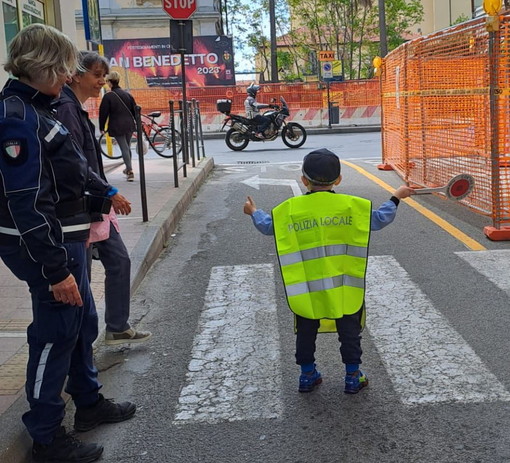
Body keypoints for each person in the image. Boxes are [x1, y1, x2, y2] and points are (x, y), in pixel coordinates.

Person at [0, 24, 136, 463]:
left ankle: (88, 402)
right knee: (55, 333)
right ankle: (46, 436)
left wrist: (102, 194)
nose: (68, 74)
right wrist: (56, 270)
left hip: (65, 235)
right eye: (62, 67)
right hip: (45, 244)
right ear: (43, 66)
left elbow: (68, 168)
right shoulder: (19, 117)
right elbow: (27, 203)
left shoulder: (41, 108)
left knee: (76, 325)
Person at [243, 148, 415, 394]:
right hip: (344, 286)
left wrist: (253, 211)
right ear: (338, 180)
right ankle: (353, 376)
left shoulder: (290, 209)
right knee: (349, 332)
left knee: (305, 331)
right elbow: (379, 219)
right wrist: (396, 196)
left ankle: (307, 375)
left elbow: (268, 227)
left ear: (304, 180)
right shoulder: (351, 206)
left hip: (307, 288)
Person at [56, 51, 152, 347]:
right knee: (80, 279)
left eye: (102, 76)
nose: (101, 82)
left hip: (93, 204)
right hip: (78, 209)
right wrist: (108, 191)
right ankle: (79, 348)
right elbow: (74, 162)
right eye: (96, 76)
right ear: (76, 75)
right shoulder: (66, 109)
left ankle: (117, 326)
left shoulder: (75, 107)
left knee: (119, 261)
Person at [98, 71, 137, 181]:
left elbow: (103, 113)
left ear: (110, 82)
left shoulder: (108, 96)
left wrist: (102, 127)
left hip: (117, 125)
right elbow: (135, 110)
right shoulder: (127, 94)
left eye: (107, 81)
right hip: (129, 124)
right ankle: (128, 168)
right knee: (127, 146)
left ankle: (129, 171)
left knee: (124, 147)